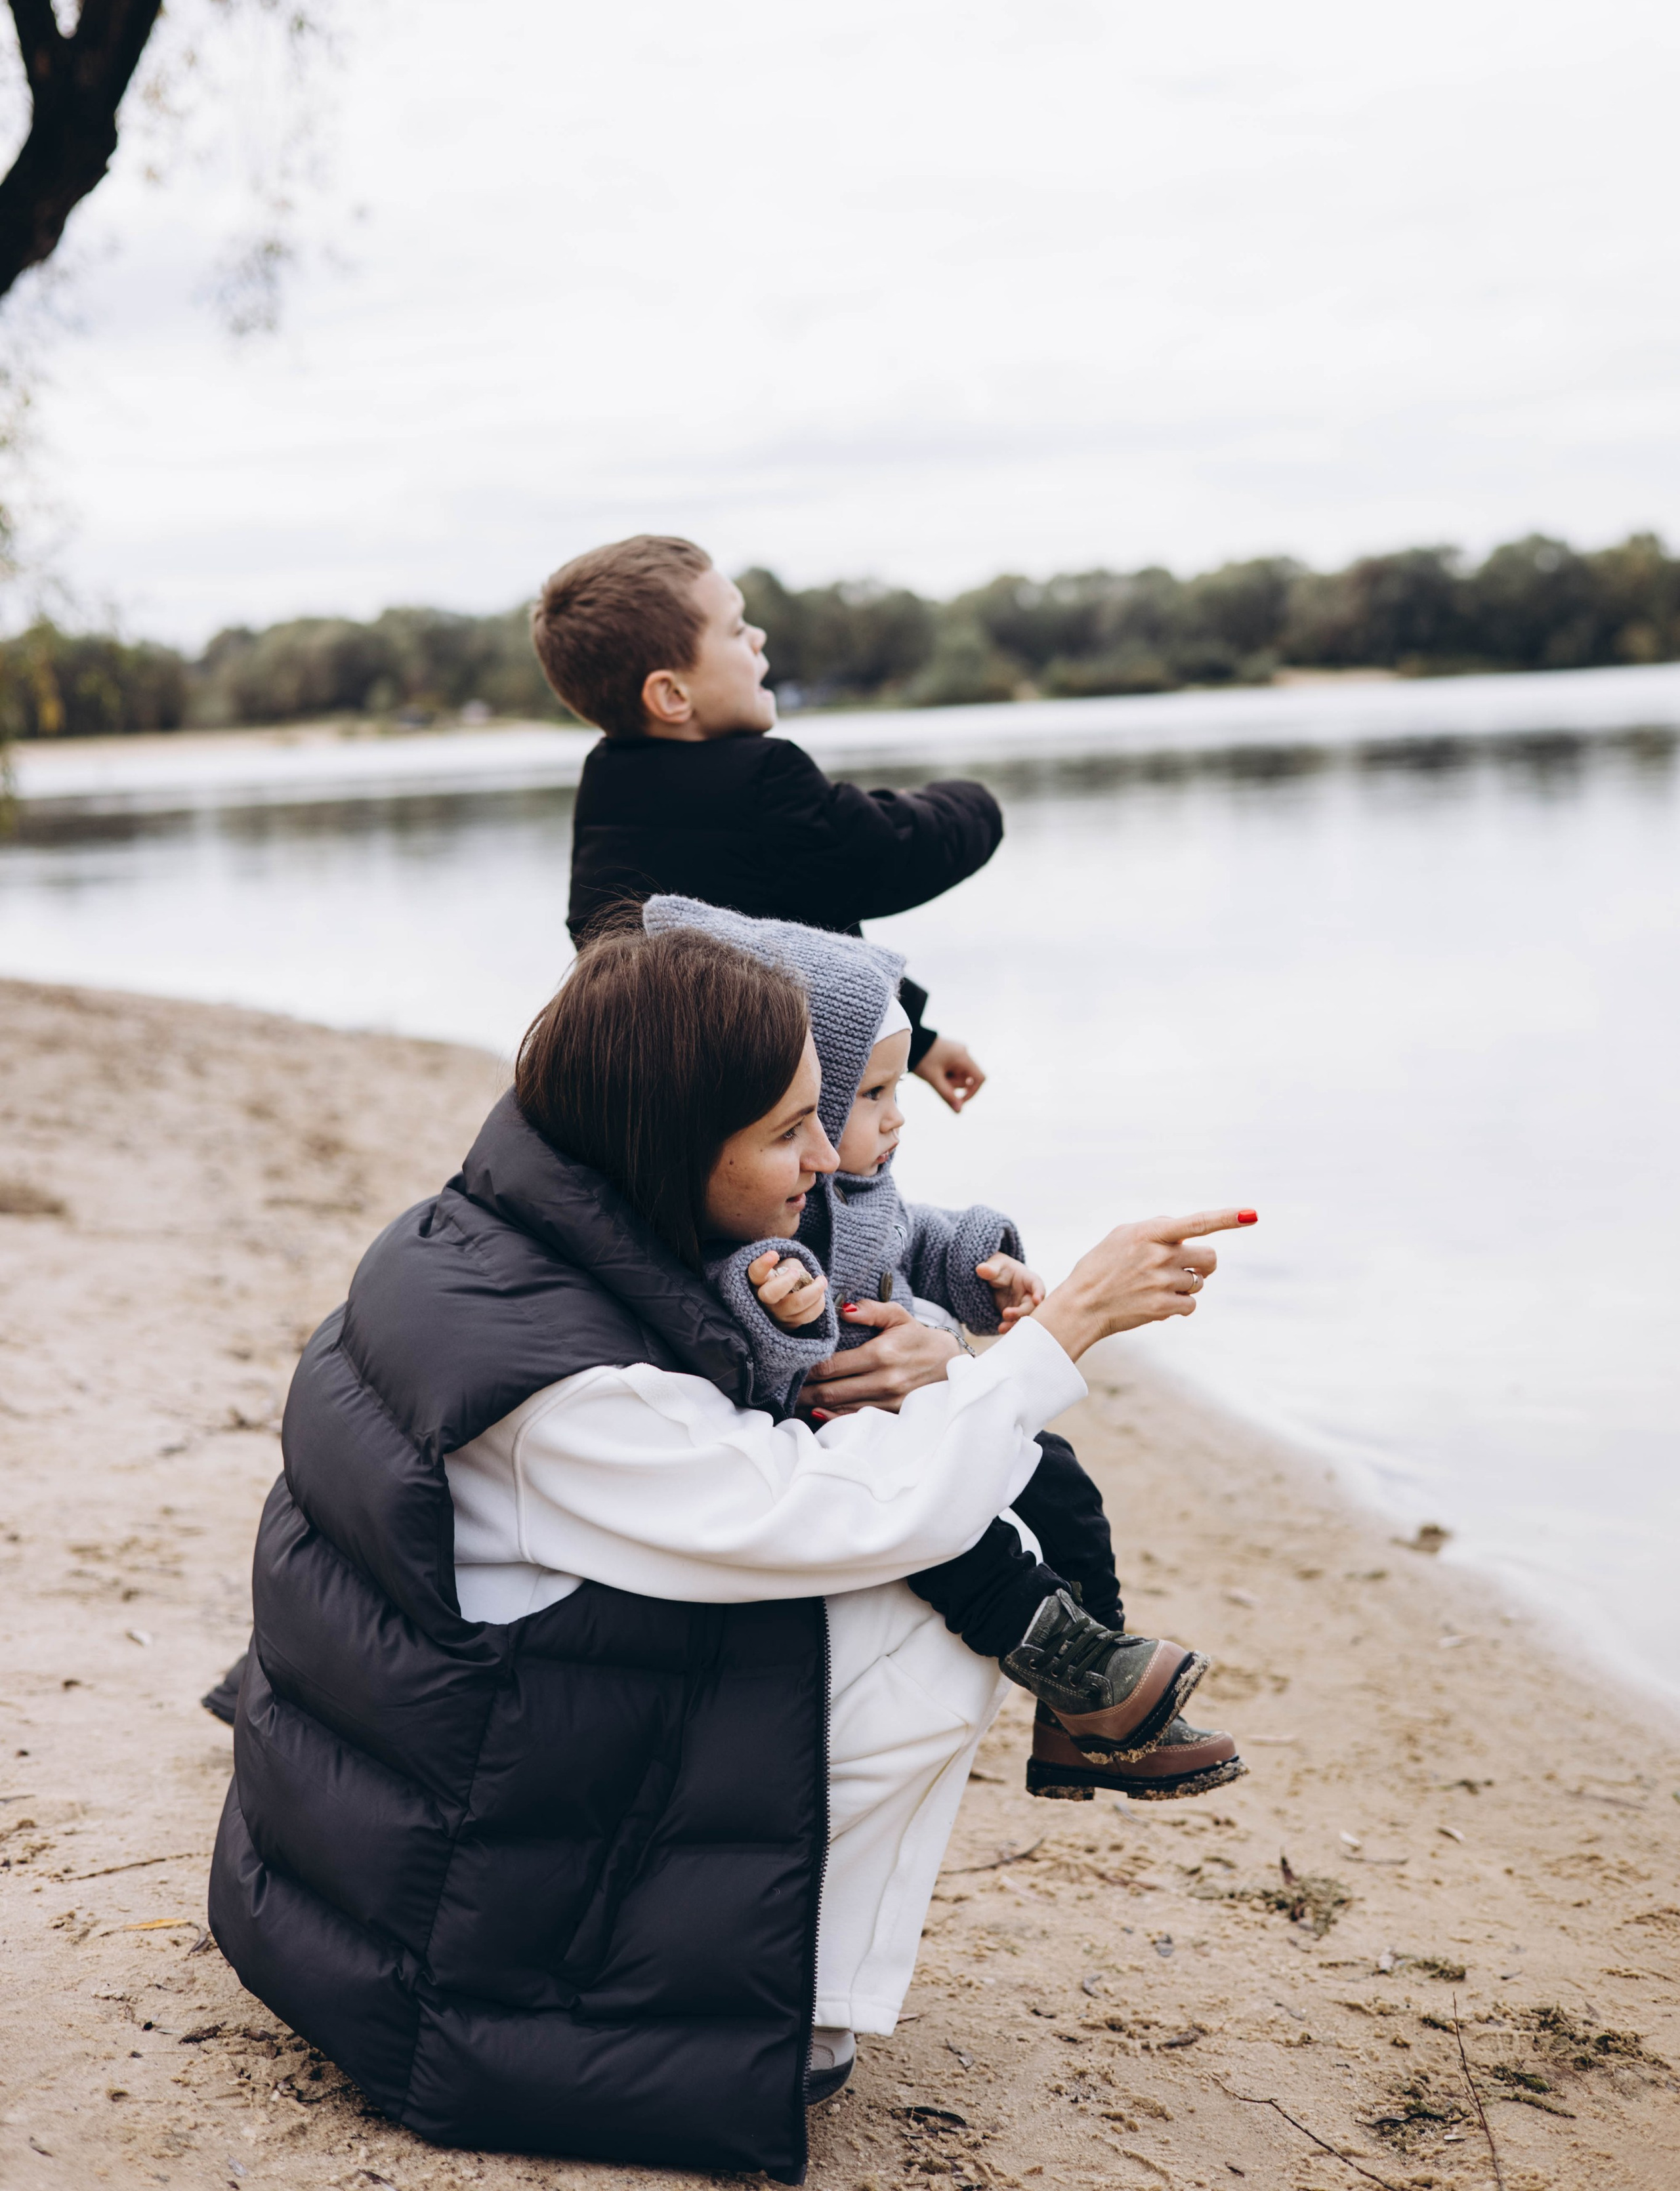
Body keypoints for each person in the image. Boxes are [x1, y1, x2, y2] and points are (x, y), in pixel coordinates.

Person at [209, 920, 1253, 2180]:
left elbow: (778, 1435)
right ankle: (790, 2019)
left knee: (954, 1533)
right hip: (462, 1920)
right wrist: (1059, 1333)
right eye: (785, 1133)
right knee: (943, 1600)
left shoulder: (504, 1235)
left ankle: (784, 1978)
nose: (829, 1156)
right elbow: (846, 1513)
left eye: (830, 1110)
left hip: (417, 1806)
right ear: (667, 1140)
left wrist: (931, 1358)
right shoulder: (568, 1397)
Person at [646, 893, 1248, 1804]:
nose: (896, 1119)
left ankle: (1084, 1707)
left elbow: (910, 1235)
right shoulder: (764, 1193)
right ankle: (1073, 1669)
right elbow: (735, 1283)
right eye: (873, 1095)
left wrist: (980, 1262)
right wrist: (785, 1298)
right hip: (835, 1429)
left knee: (1060, 1485)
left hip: (915, 1402)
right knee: (962, 1541)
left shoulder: (860, 1177)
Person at [533, 532, 1001, 1110]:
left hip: (664, 1100)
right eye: (735, 628)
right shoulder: (767, 780)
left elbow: (792, 933)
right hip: (784, 1107)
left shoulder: (606, 786)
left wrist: (921, 1041)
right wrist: (976, 801)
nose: (758, 636)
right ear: (672, 695)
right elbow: (894, 853)